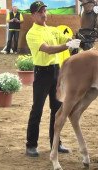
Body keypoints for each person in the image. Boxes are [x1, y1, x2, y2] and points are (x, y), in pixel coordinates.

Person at [25, 0, 81, 157]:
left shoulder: (52, 30)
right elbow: (48, 50)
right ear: (33, 15)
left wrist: (76, 39)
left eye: (44, 11)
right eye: (40, 12)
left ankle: (56, 143)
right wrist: (67, 46)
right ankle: (31, 145)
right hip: (42, 73)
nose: (44, 14)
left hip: (56, 73)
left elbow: (66, 37)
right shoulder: (32, 33)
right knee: (37, 109)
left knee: (57, 110)